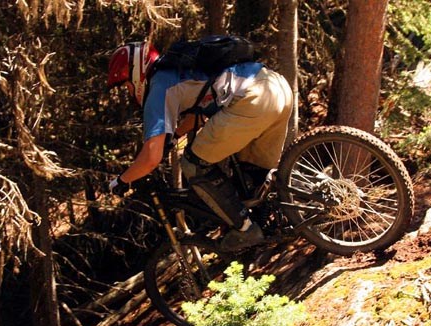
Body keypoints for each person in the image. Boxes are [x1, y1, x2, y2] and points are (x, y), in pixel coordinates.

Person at [107, 40, 293, 251]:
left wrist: (123, 180)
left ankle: (245, 230)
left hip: (252, 100)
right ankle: (301, 209)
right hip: (276, 87)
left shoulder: (158, 85)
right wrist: (174, 137)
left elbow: (151, 157)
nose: (128, 90)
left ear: (135, 72)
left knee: (194, 163)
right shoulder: (180, 70)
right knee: (254, 174)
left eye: (126, 84)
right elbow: (197, 115)